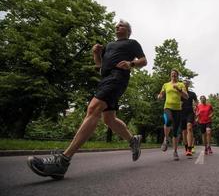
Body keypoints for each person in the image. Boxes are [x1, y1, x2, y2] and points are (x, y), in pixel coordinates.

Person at [27, 19, 147, 179]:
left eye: (122, 25)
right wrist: (96, 53)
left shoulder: (132, 43)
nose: (118, 27)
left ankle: (62, 161)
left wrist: (131, 64)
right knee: (109, 119)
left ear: (128, 30)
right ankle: (133, 140)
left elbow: (144, 61)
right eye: (117, 25)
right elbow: (99, 66)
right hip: (105, 79)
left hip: (118, 77)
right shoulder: (109, 45)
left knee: (93, 109)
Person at [157, 69, 188, 160]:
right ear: (170, 75)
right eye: (172, 74)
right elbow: (161, 94)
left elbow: (186, 96)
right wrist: (159, 96)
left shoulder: (181, 84)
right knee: (168, 120)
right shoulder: (166, 85)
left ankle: (175, 152)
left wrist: (179, 89)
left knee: (175, 132)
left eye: (175, 74)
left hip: (178, 109)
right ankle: (166, 139)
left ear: (177, 76)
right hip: (167, 107)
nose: (173, 75)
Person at [180, 80, 198, 156]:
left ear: (188, 85)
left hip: (190, 112)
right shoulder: (179, 93)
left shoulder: (192, 94)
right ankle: (186, 147)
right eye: (184, 83)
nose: (185, 84)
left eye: (186, 83)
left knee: (189, 127)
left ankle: (190, 149)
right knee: (184, 132)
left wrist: (195, 107)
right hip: (181, 113)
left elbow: (197, 102)